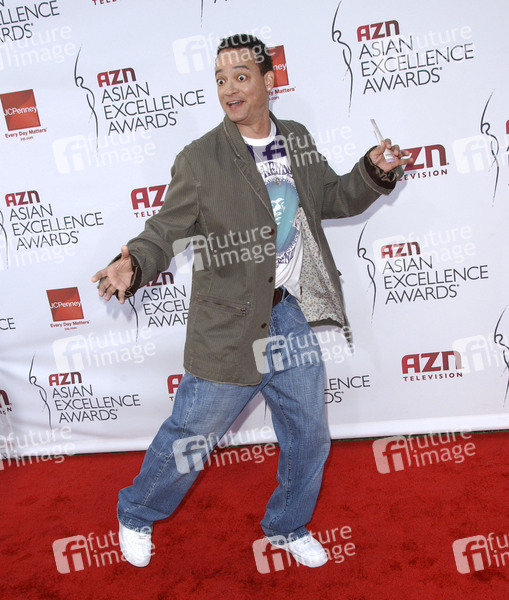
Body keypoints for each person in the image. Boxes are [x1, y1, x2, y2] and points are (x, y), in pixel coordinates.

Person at [91, 34, 411, 569]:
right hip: (229, 326)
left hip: (287, 313)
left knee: (309, 434)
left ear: (269, 80)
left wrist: (373, 171)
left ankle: (287, 525)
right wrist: (135, 263)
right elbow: (164, 230)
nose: (229, 89)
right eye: (220, 79)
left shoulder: (296, 137)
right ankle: (136, 512)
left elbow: (330, 198)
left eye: (241, 76)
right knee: (191, 437)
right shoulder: (200, 159)